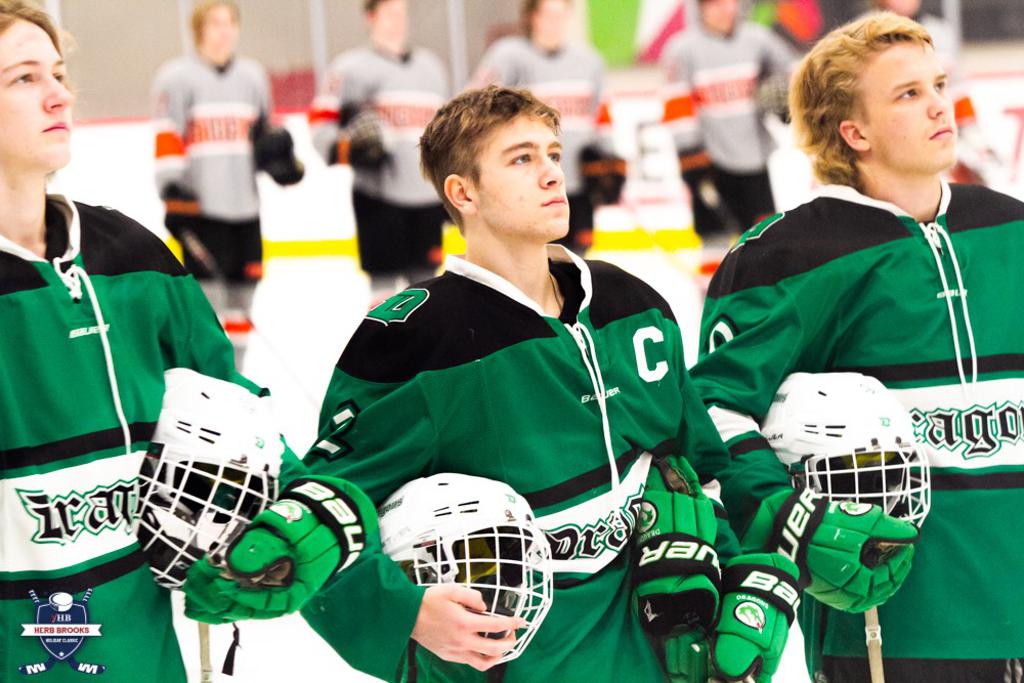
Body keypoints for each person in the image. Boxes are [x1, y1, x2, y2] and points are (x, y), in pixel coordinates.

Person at [182, 84, 802, 683]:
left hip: (652, 656)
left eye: (553, 154)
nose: (552, 174)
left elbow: (698, 469)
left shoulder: (630, 305)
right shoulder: (417, 339)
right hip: (513, 666)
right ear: (464, 192)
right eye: (521, 159)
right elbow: (325, 515)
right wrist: (406, 612)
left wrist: (737, 584)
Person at [690, 11, 1024, 682]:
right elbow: (711, 409)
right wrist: (790, 516)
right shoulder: (786, 257)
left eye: (938, 84)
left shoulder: (1010, 229)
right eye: (908, 94)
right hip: (890, 628)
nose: (939, 105)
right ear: (854, 132)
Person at [152, 0, 301, 369]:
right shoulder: (176, 78)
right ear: (199, 30)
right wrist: (172, 192)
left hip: (246, 210)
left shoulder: (253, 77)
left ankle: (235, 376)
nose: (224, 31)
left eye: (230, 23)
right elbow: (168, 138)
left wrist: (283, 164)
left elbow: (264, 137)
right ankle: (208, 380)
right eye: (215, 23)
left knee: (242, 304)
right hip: (203, 212)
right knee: (207, 304)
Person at [308, 0, 449, 304]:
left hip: (426, 197)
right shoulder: (349, 68)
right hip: (377, 197)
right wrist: (347, 150)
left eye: (401, 12)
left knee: (427, 290)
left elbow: (448, 131)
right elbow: (320, 124)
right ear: (370, 17)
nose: (397, 20)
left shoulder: (432, 68)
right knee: (383, 294)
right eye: (389, 13)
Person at [470, 0, 610, 255]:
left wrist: (608, 158)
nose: (556, 23)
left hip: (576, 187)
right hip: (527, 189)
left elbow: (601, 118)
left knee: (575, 261)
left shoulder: (590, 62)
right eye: (548, 15)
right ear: (532, 16)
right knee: (530, 262)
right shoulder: (509, 56)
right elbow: (475, 107)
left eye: (561, 15)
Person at [660, 0, 797, 246]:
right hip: (709, 163)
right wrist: (689, 154)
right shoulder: (683, 50)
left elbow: (793, 71)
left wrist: (789, 102)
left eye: (729, 2)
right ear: (700, 8)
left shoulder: (758, 40)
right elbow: (676, 104)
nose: (725, 10)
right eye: (714, 4)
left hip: (755, 159)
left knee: (765, 240)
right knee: (715, 240)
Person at [867, 0, 1002, 186]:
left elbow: (958, 89)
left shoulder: (938, 31)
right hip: (896, 130)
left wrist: (972, 131)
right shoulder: (864, 34)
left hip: (936, 126)